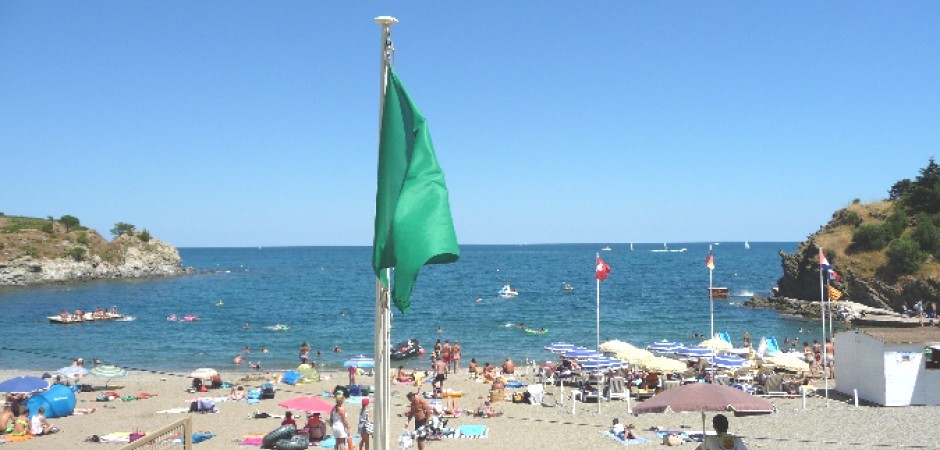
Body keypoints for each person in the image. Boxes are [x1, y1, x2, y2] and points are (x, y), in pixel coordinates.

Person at [331, 386, 350, 450]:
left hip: (335, 426)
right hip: (340, 426)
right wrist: (348, 428)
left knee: (337, 442)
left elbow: (331, 418)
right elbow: (344, 421)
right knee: (342, 443)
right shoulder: (342, 410)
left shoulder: (333, 409)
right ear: (342, 401)